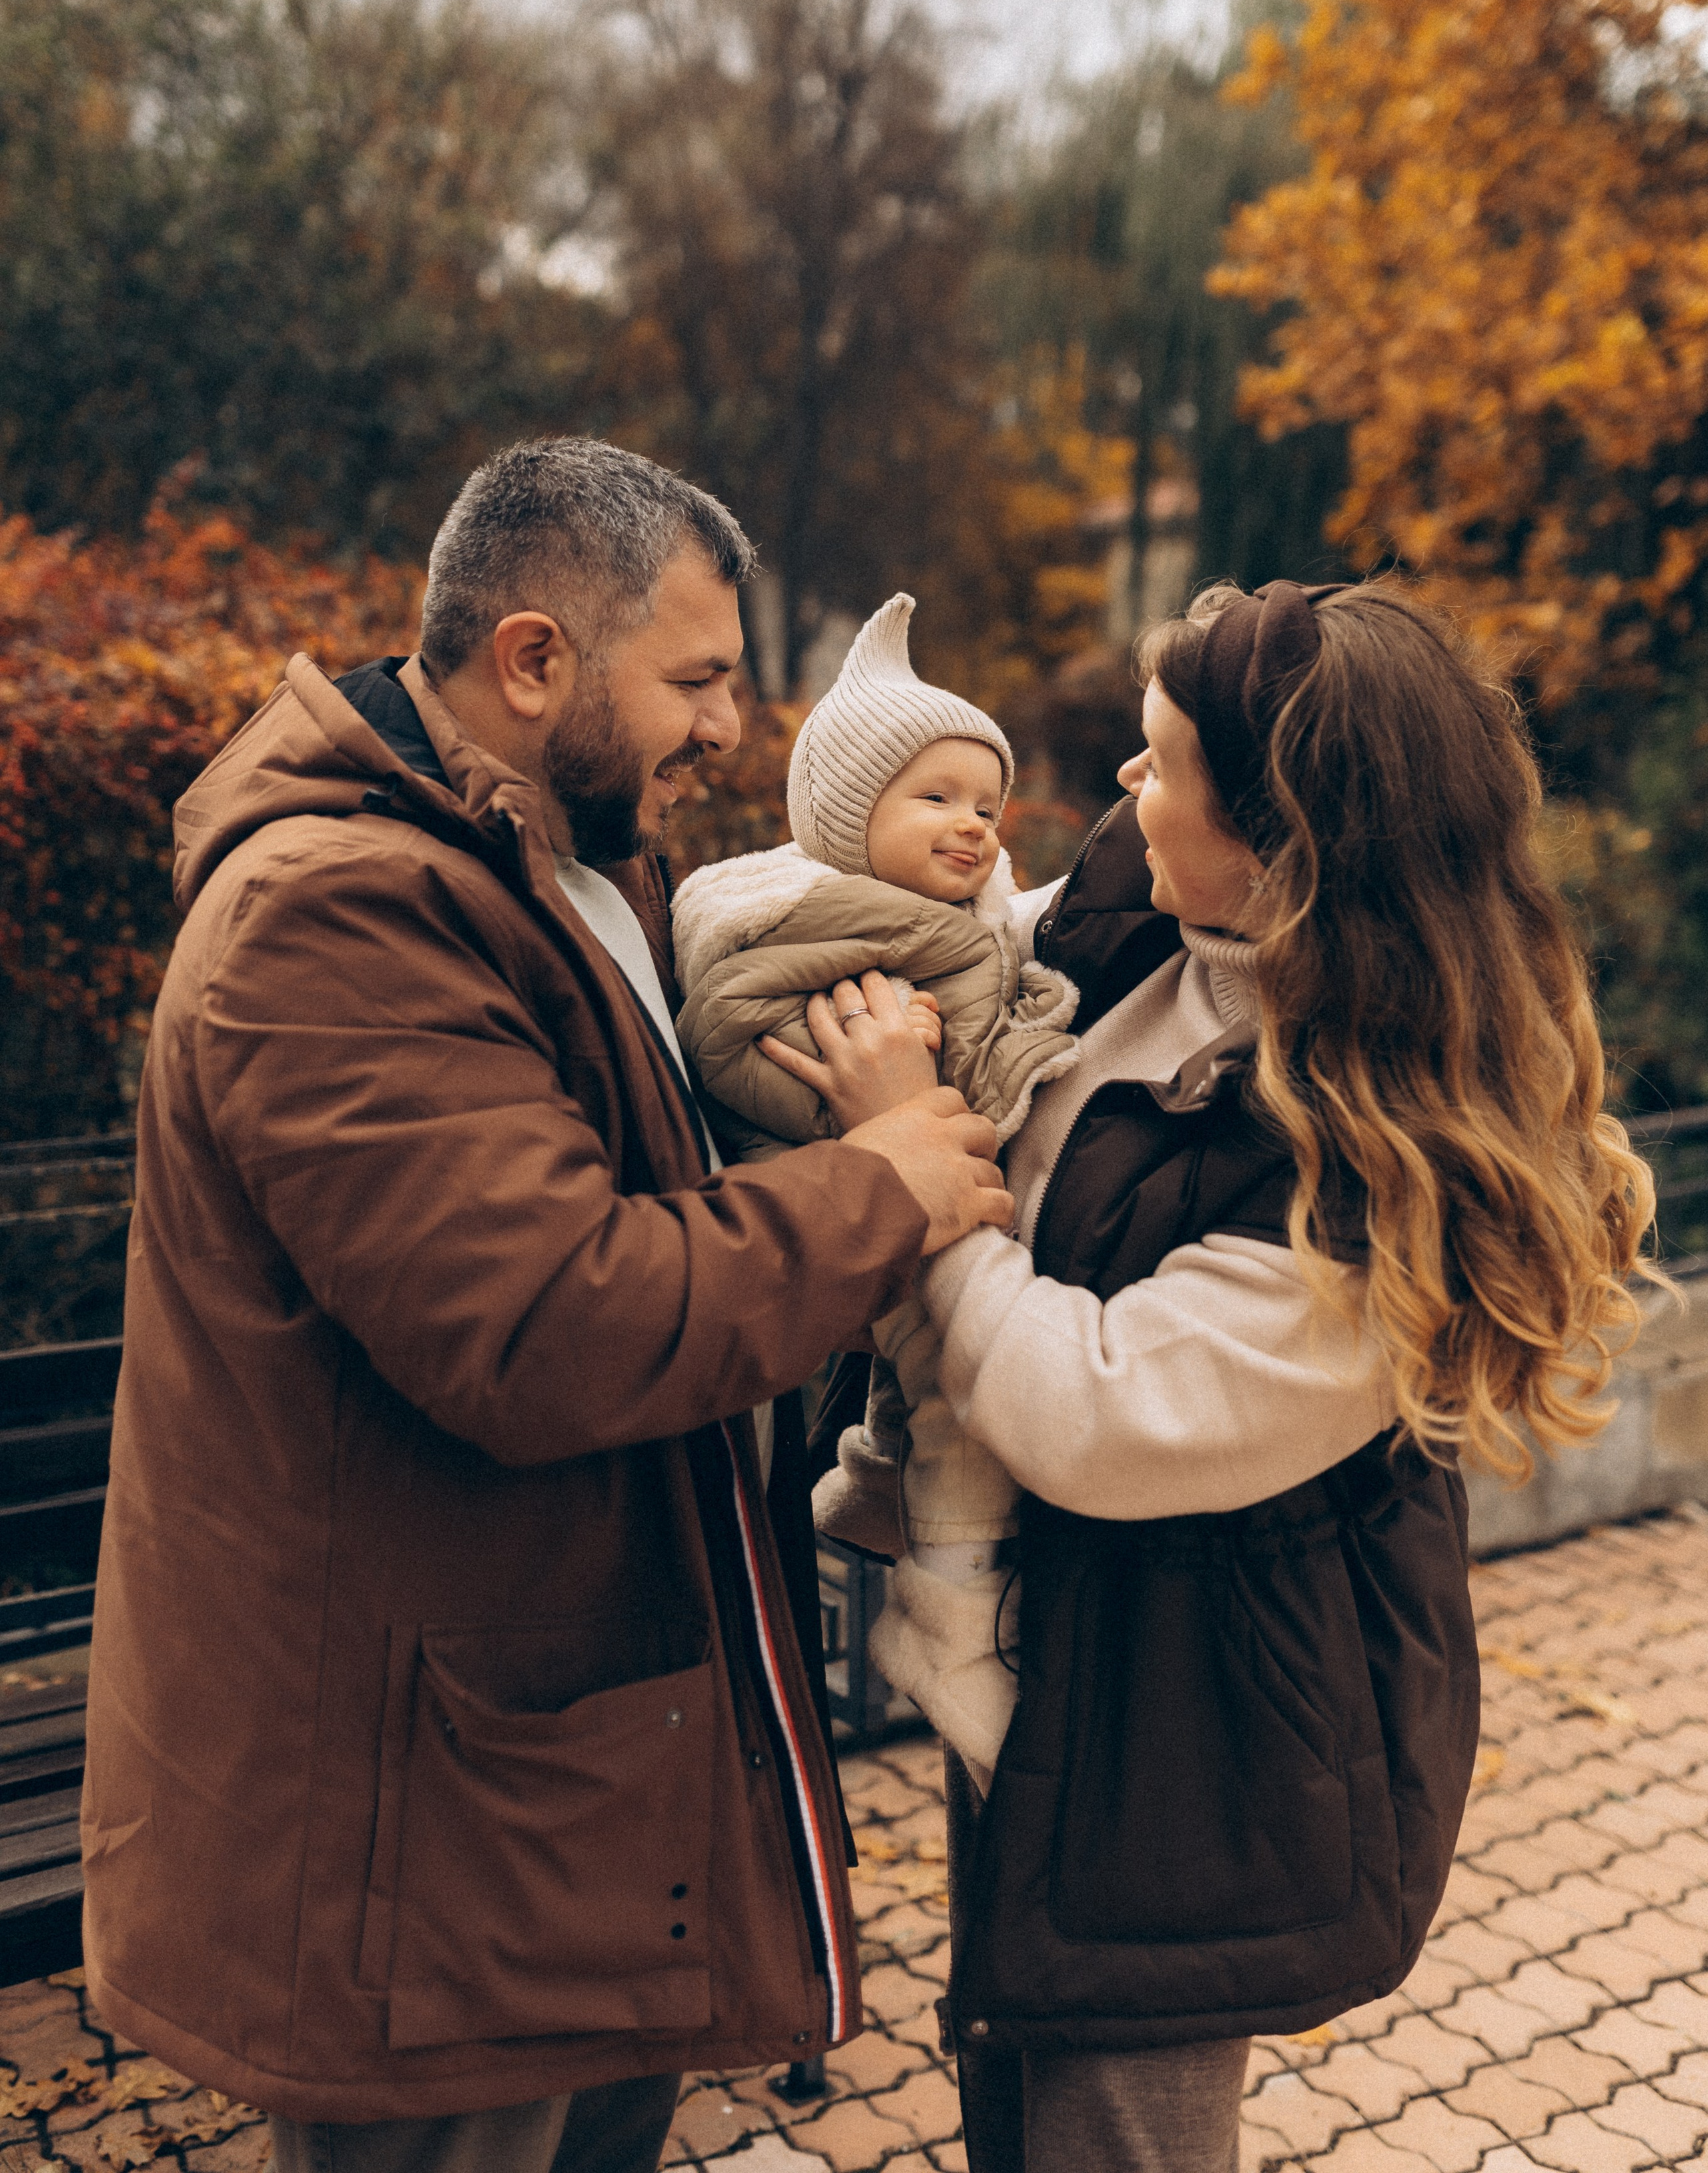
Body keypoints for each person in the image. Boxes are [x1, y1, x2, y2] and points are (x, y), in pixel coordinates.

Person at [79, 438, 1012, 2173]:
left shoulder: (556, 875)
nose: (733, 726)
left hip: (543, 1787)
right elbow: (543, 1319)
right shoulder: (339, 917)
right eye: (697, 679)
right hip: (419, 1838)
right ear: (532, 662)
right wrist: (882, 1183)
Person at [772, 578, 1654, 2173]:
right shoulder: (1141, 928)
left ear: (1277, 839)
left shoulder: (1371, 1161)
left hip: (1197, 1742)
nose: (1122, 787)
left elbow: (1092, 1410)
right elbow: (932, 934)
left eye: (1156, 759)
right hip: (1053, 1669)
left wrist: (913, 1178)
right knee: (1010, 2106)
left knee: (1113, 2129)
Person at [672, 592, 1079, 1787]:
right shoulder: (813, 925)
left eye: (987, 804)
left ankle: (872, 1488)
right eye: (935, 799)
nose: (972, 827)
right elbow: (731, 1031)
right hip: (839, 1188)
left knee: (932, 1362)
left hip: (888, 1178)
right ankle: (946, 1624)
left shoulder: (920, 918)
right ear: (851, 817)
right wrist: (875, 1118)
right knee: (964, 1385)